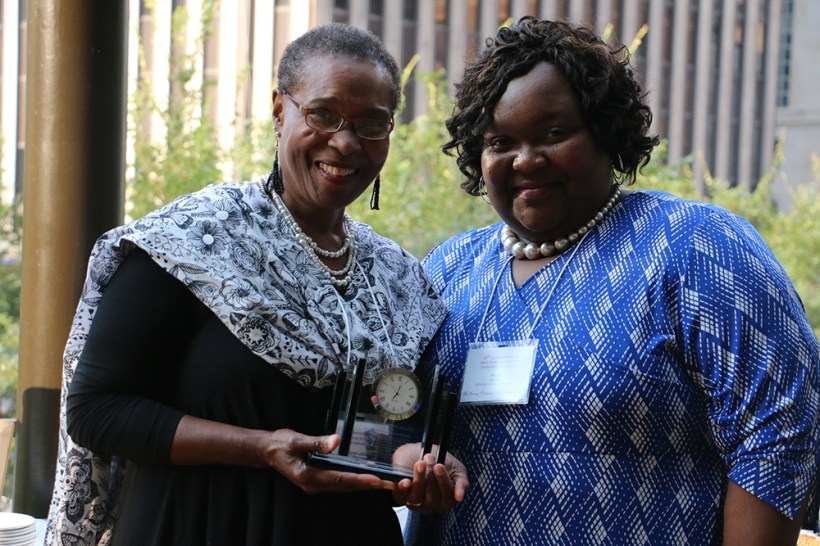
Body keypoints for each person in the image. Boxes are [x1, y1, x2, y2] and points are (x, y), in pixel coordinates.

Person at [45, 23, 467, 546]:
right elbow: (97, 411)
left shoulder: (397, 277)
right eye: (323, 114)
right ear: (278, 110)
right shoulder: (194, 242)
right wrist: (260, 446)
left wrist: (409, 461)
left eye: (371, 124)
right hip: (199, 525)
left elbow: (381, 420)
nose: (345, 140)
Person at [405, 16, 820, 545]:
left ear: (606, 132)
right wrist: (408, 453)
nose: (527, 160)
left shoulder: (699, 248)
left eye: (556, 133)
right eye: (500, 141)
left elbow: (777, 434)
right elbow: (396, 418)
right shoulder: (446, 270)